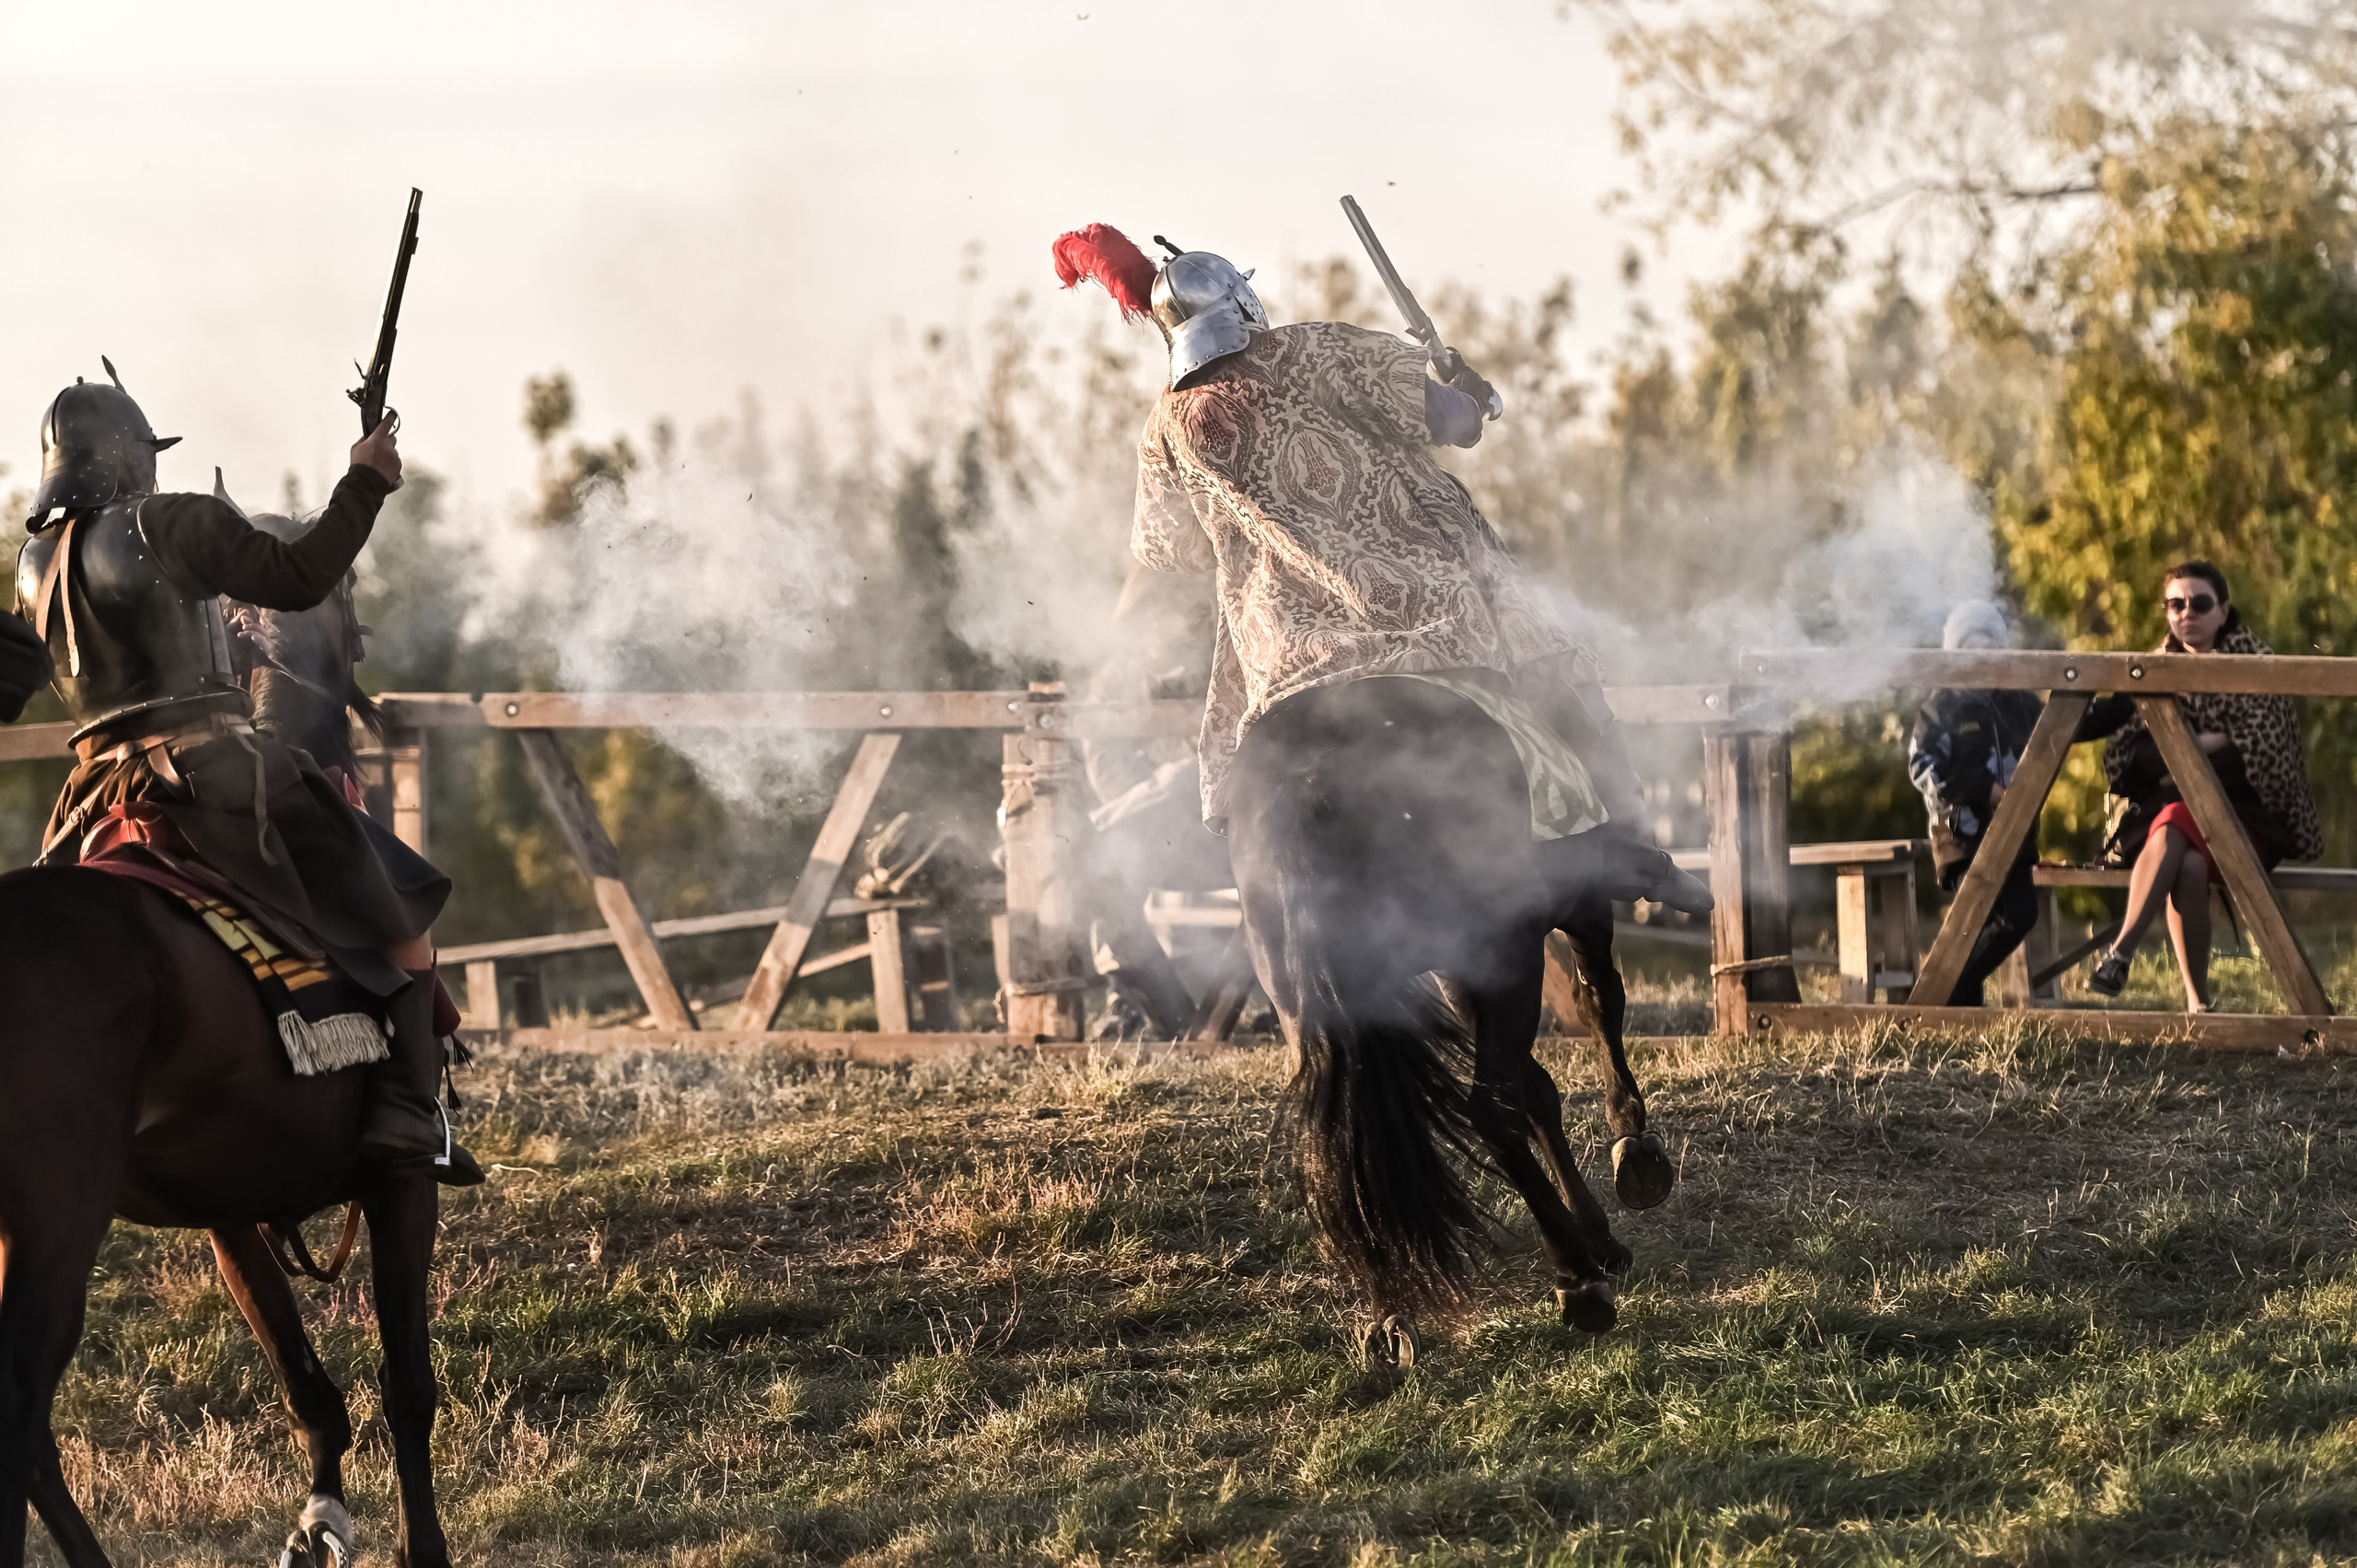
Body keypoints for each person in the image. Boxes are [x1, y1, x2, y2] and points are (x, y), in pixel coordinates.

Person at [1051, 223, 1710, 926]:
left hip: (1286, 649)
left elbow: (1169, 549)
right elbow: (1449, 421)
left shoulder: (1164, 427)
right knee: (1557, 657)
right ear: (1243, 303)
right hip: (1431, 603)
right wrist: (1475, 396)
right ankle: (1635, 850)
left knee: (1246, 751)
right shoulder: (1315, 348)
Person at [12, 361, 478, 1181]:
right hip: (213, 772)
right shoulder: (167, 522)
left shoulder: (31, 566)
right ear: (126, 460)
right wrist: (363, 483)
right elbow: (298, 579)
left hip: (95, 795)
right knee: (398, 892)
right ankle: (409, 1107)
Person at [2078, 561, 2322, 1010]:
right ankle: (2199, 1003)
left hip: (2249, 822)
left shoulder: (2258, 669)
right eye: (2176, 604)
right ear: (2166, 612)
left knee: (2173, 818)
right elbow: (2132, 759)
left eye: (2200, 603)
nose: (2187, 612)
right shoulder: (2151, 671)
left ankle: (2120, 954)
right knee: (2186, 861)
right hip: (2168, 829)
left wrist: (2182, 755)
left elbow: (2263, 763)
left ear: (2224, 611)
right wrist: (2210, 746)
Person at [1908, 601, 2045, 1005]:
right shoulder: (1940, 707)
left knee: (2018, 915)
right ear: (1954, 654)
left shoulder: (2018, 701)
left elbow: (2070, 723)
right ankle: (1958, 1000)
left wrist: (2126, 702)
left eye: (1992, 649)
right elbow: (1923, 767)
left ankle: (1956, 994)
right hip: (1962, 833)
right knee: (1982, 918)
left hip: (2015, 833)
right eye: (1972, 649)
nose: (1983, 658)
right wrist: (1984, 790)